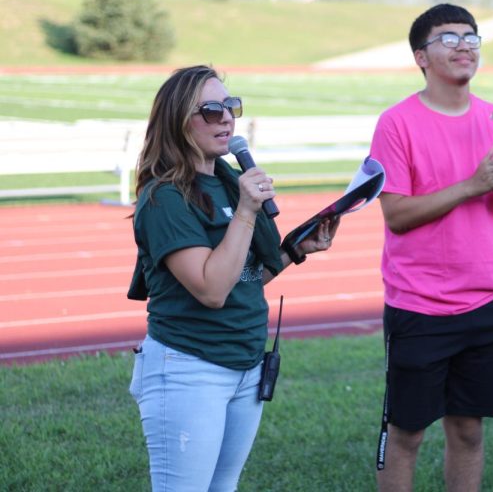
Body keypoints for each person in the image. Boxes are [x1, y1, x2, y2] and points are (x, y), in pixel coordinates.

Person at [127, 65, 339, 491]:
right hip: (189, 367)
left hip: (244, 363)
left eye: (231, 106)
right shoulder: (164, 198)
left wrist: (294, 250)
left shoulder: (226, 181)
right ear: (177, 121)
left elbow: (239, 277)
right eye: (210, 110)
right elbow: (210, 290)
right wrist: (246, 211)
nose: (226, 117)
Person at [368, 3, 493, 492]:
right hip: (419, 306)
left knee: (468, 430)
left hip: (487, 303)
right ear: (421, 56)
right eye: (449, 38)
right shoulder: (397, 123)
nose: (464, 45)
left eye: (472, 37)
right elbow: (396, 214)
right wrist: (473, 183)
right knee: (407, 435)